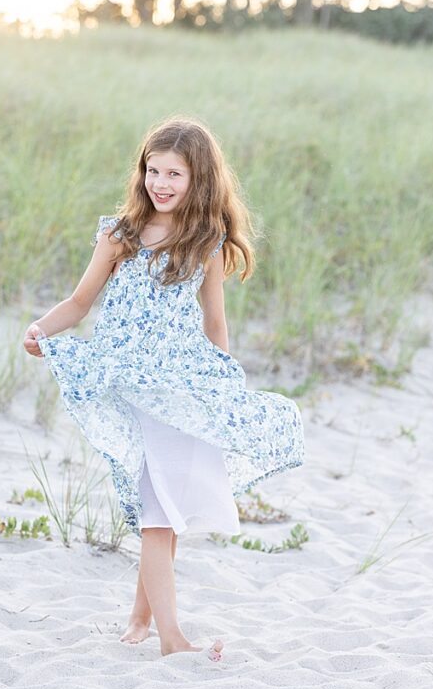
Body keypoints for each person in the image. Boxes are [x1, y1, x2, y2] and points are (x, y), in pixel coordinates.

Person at [23, 117, 305, 659]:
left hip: (180, 392)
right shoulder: (120, 236)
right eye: (153, 170)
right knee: (157, 513)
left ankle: (141, 620)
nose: (161, 183)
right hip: (128, 386)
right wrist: (42, 329)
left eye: (174, 173)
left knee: (163, 511)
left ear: (199, 179)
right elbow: (80, 302)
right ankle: (171, 639)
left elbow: (215, 326)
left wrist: (221, 392)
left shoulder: (206, 245)